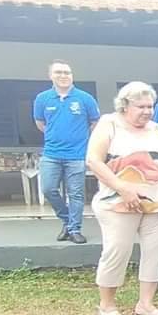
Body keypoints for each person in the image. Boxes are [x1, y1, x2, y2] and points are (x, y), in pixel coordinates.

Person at [86, 82, 158, 315]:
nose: (147, 111)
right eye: (141, 106)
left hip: (155, 204)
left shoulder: (156, 129)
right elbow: (93, 161)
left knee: (155, 251)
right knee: (117, 250)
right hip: (118, 203)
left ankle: (145, 304)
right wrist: (122, 188)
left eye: (150, 106)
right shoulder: (109, 124)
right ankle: (107, 305)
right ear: (125, 105)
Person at [33, 60, 100, 244]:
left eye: (67, 72)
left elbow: (95, 122)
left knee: (76, 194)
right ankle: (67, 220)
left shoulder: (85, 98)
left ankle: (75, 229)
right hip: (51, 154)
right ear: (51, 76)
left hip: (76, 155)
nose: (63, 76)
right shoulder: (42, 98)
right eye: (59, 72)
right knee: (48, 189)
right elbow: (40, 124)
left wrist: (82, 139)